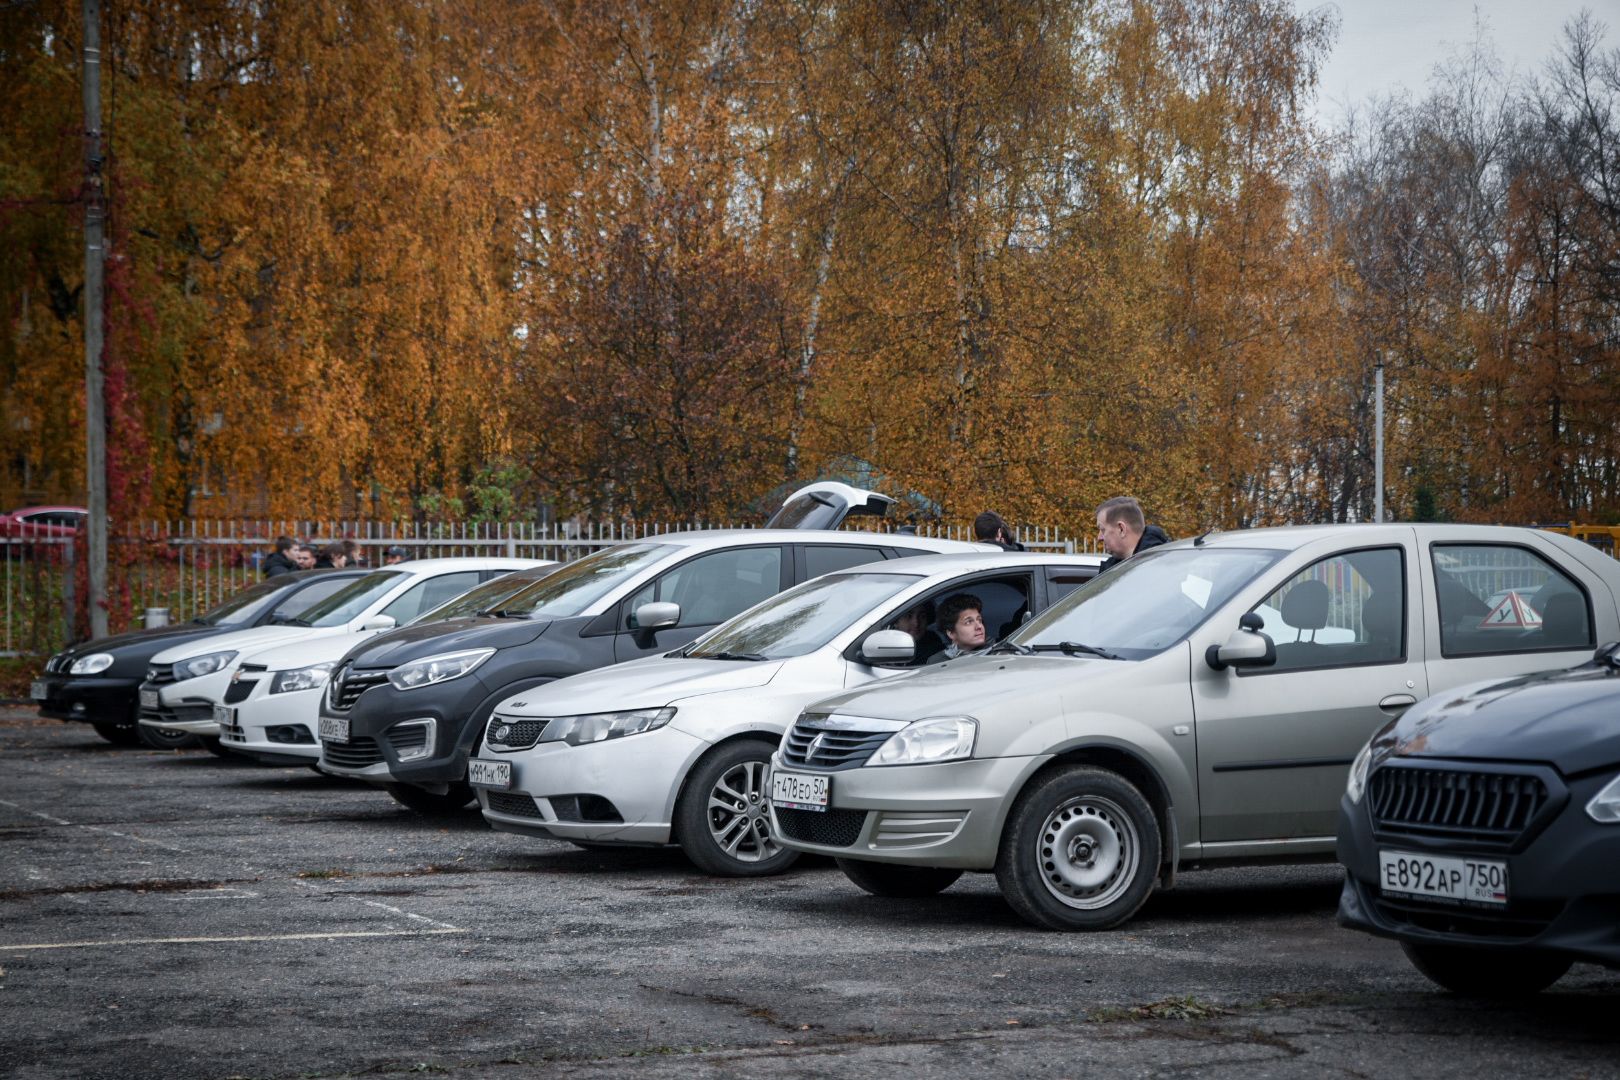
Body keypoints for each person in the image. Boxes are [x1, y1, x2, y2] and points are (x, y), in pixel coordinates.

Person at [1096, 496, 1170, 573]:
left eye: (1102, 530)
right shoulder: (1114, 568)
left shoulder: (1159, 570)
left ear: (1121, 529)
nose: (1099, 537)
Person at [927, 593, 989, 664]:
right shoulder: (936, 662)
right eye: (968, 622)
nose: (979, 626)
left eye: (979, 620)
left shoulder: (998, 653)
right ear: (951, 633)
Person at [890, 599, 945, 664]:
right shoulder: (887, 644)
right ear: (896, 622)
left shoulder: (934, 646)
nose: (916, 623)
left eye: (922, 616)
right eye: (909, 616)